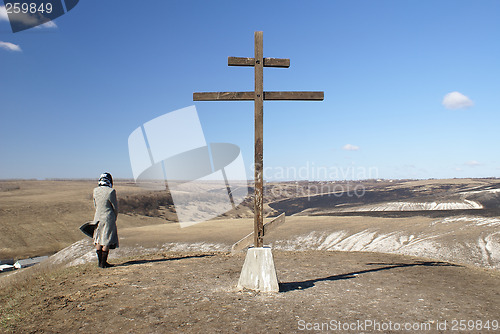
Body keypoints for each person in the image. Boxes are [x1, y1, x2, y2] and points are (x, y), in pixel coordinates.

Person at [92, 172, 119, 268]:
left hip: (97, 217)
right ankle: (104, 263)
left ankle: (100, 263)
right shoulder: (111, 191)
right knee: (106, 239)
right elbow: (115, 207)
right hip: (108, 217)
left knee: (98, 239)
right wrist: (115, 217)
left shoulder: (95, 190)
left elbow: (95, 204)